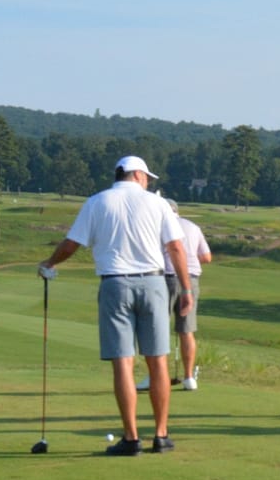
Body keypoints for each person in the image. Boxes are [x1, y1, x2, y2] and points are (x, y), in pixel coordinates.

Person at [38, 155, 192, 455]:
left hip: (115, 285)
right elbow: (175, 247)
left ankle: (131, 438)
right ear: (136, 175)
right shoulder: (158, 204)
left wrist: (49, 262)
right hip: (154, 284)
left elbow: (72, 243)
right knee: (157, 359)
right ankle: (161, 435)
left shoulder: (97, 202)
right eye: (146, 176)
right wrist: (186, 288)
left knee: (124, 362)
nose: (147, 181)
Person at [164, 198, 211, 391]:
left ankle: (156, 377)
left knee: (158, 330)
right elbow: (207, 257)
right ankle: (189, 377)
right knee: (186, 331)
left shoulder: (160, 225)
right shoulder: (193, 226)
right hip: (191, 281)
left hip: (165, 278)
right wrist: (189, 258)